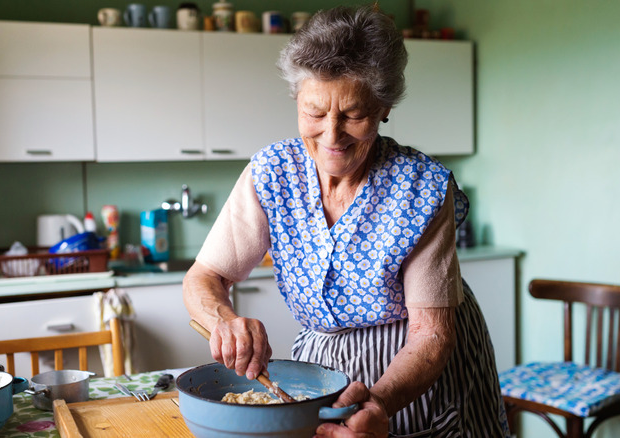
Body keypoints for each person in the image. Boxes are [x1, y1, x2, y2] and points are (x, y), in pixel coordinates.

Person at [183, 5, 509, 437]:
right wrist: (224, 320)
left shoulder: (422, 189)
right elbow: (204, 276)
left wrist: (379, 401)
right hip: (324, 368)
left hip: (417, 369)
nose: (332, 136)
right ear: (297, 99)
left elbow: (431, 334)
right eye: (315, 113)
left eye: (354, 115)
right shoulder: (272, 172)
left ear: (384, 107)